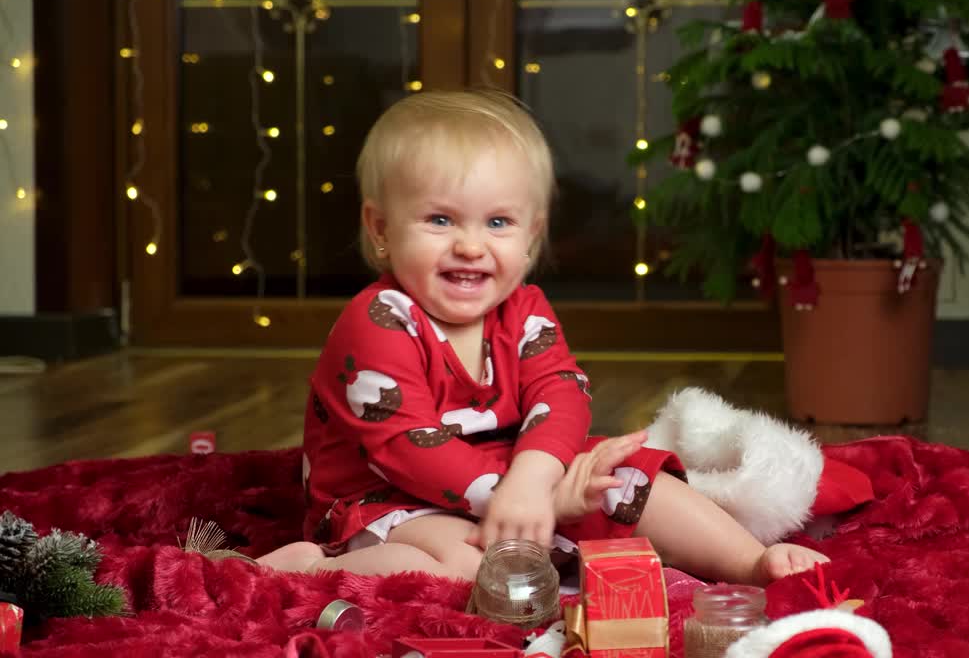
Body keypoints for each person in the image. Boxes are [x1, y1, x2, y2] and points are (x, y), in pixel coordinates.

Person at [256, 90, 827, 585]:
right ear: (381, 230)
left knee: (631, 480)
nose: (471, 246)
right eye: (440, 220)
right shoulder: (378, 321)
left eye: (498, 223)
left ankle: (751, 560)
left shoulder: (522, 308)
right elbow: (406, 448)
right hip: (390, 498)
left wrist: (536, 479)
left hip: (510, 477)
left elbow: (562, 391)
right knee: (467, 568)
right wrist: (532, 498)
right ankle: (316, 569)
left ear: (531, 236)